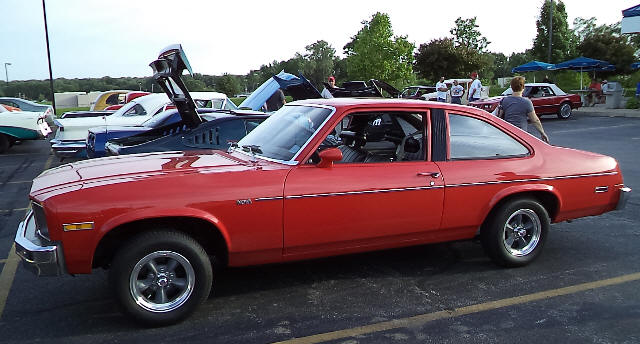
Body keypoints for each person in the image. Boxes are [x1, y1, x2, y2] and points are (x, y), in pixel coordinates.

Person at [497, 76, 549, 143]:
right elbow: (535, 120)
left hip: (508, 133)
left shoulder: (504, 100)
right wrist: (542, 133)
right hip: (521, 135)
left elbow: (499, 117)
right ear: (523, 87)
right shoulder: (526, 102)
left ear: (512, 87)